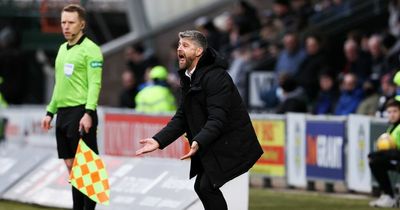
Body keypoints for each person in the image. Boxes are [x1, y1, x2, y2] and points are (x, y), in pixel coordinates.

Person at [135, 30, 263, 210]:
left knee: (205, 186)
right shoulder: (189, 78)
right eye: (179, 45)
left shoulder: (216, 77)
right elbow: (182, 117)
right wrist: (158, 140)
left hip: (232, 143)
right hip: (214, 143)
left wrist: (198, 141)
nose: (180, 49)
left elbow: (217, 118)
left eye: (185, 45)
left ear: (198, 52)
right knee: (203, 187)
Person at [40, 4, 102, 210]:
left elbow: (95, 83)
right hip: (63, 113)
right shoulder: (61, 49)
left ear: (82, 23)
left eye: (71, 22)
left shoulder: (91, 49)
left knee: (86, 167)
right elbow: (60, 84)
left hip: (81, 111)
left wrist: (89, 112)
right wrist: (50, 111)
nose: (66, 27)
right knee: (71, 166)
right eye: (63, 22)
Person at [368, 99, 400, 208]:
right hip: (397, 160)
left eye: (395, 111)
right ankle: (389, 196)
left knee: (377, 159)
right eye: (389, 112)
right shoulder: (391, 129)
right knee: (375, 162)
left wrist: (382, 154)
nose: (392, 115)